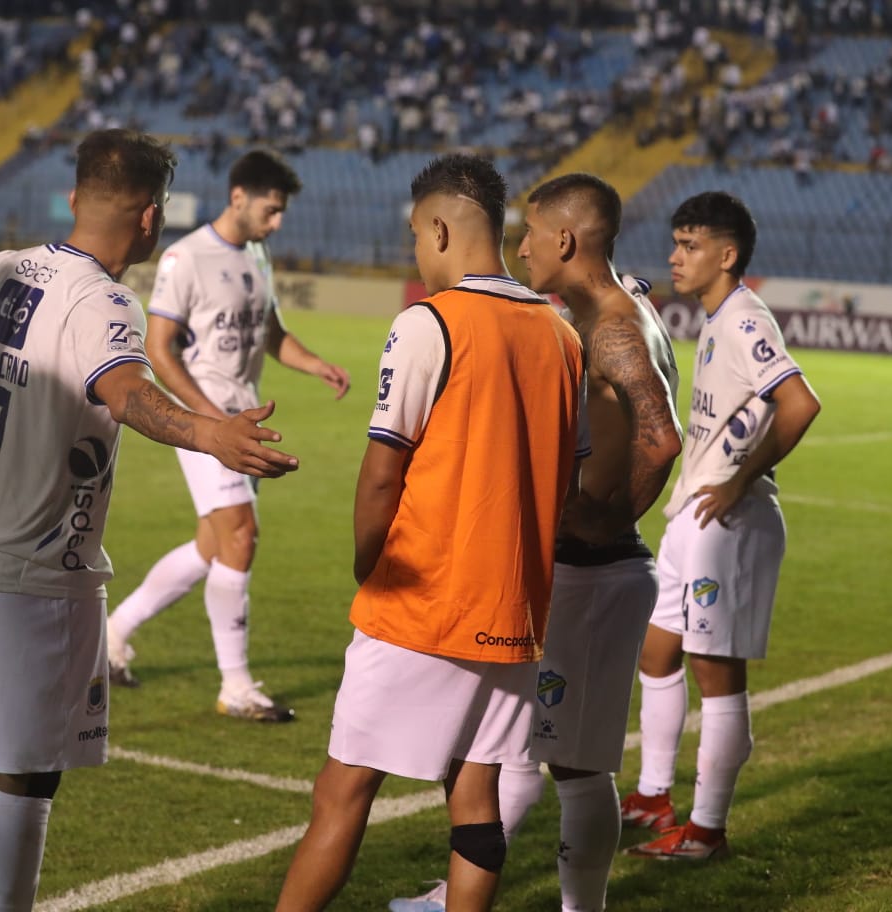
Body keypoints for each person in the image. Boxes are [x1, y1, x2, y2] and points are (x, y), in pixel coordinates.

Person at [0, 129, 299, 912]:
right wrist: (212, 433)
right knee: (32, 770)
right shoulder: (105, 300)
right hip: (40, 564)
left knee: (14, 756)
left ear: (73, 199)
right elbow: (126, 391)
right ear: (150, 219)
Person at [275, 154, 584, 912]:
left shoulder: (429, 322)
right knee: (474, 794)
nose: (416, 250)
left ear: (441, 227)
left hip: (421, 600)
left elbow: (383, 472)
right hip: (515, 610)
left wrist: (366, 563)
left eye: (416, 235)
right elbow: (569, 483)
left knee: (342, 790)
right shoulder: (561, 334)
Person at [390, 173, 683, 912]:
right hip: (594, 574)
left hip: (595, 573)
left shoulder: (613, 326)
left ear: (567, 240)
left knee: (578, 769)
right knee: (530, 746)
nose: (518, 247)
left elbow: (660, 437)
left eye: (530, 232)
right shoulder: (619, 309)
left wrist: (599, 522)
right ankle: (449, 895)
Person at [105, 148, 349, 721]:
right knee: (240, 535)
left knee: (213, 547)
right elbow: (158, 348)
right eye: (272, 208)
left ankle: (112, 635)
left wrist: (315, 364)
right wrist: (207, 424)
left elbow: (270, 331)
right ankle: (236, 686)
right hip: (208, 423)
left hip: (241, 421)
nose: (278, 220)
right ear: (239, 196)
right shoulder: (186, 257)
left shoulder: (258, 254)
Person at [618, 190, 821, 860]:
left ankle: (706, 830)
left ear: (726, 254)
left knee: (716, 672)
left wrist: (736, 479)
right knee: (656, 652)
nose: (675, 257)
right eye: (675, 243)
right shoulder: (717, 317)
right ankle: (652, 795)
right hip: (693, 513)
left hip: (725, 518)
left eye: (691, 245)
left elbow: (799, 402)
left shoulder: (741, 318)